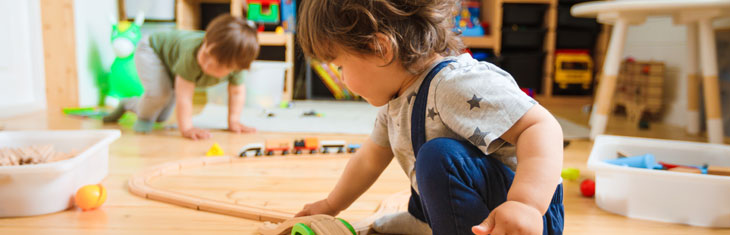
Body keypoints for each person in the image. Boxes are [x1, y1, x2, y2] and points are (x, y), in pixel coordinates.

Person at [294, 1, 565, 234]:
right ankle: (428, 223)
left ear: (380, 48)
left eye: (340, 66)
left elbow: (541, 126)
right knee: (430, 165)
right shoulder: (395, 102)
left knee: (438, 156)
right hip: (473, 209)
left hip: (520, 218)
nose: (342, 79)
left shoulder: (454, 84)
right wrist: (331, 205)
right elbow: (368, 159)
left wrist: (526, 204)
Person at [104, 14, 259, 140]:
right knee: (160, 96)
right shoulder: (191, 54)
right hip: (152, 50)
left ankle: (128, 104)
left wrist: (234, 121)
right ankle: (143, 119)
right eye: (206, 53)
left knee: (161, 116)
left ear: (235, 68)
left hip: (172, 64)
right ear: (206, 40)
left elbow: (237, 92)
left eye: (216, 65)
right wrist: (187, 128)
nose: (206, 64)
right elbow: (184, 96)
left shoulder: (236, 65)